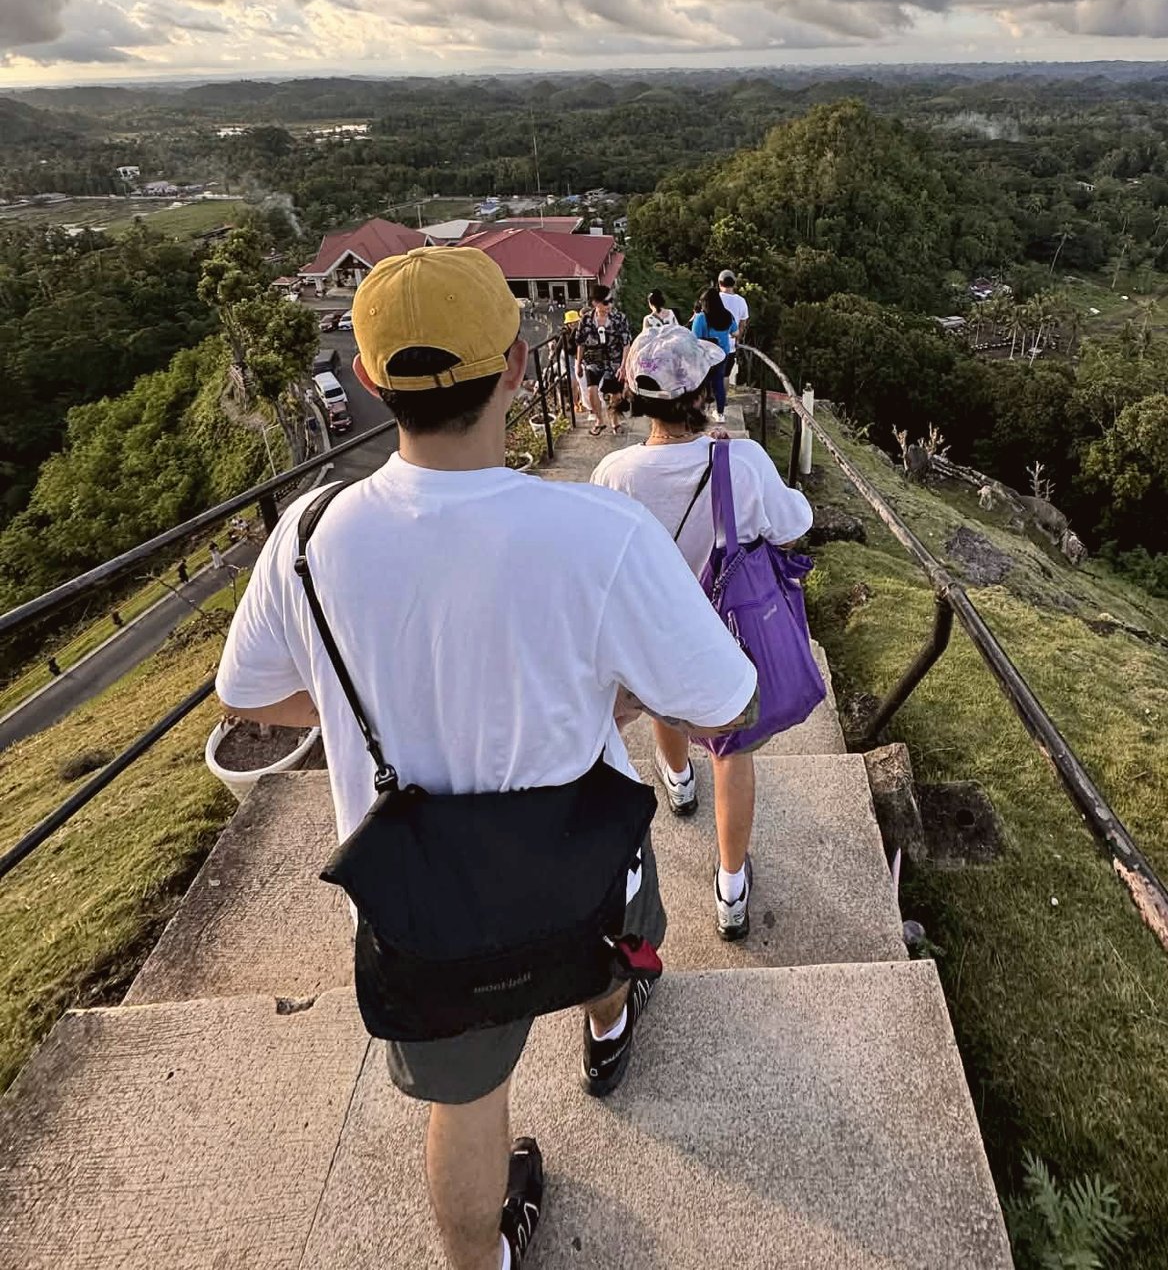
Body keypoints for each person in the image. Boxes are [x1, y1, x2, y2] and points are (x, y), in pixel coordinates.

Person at [216, 248, 756, 1270]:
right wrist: (609, 691)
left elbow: (245, 698)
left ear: (372, 382)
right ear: (517, 368)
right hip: (576, 847)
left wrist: (350, 705)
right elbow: (725, 696)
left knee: (464, 1101)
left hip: (417, 891)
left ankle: (484, 1260)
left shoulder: (308, 535)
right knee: (611, 948)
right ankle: (604, 1033)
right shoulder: (594, 529)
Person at [591, 323, 812, 941]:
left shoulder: (613, 473)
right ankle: (731, 889)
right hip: (730, 631)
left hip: (654, 637)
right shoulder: (740, 460)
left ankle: (679, 783)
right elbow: (793, 525)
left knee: (664, 698)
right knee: (733, 752)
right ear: (700, 396)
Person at [578, 281, 631, 437]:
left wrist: (623, 367)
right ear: (595, 303)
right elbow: (580, 343)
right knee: (591, 389)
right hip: (593, 359)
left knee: (615, 394)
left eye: (611, 301)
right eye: (605, 302)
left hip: (614, 359)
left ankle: (615, 422)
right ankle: (599, 421)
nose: (609, 305)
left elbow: (626, 343)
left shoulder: (619, 318)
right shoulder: (586, 319)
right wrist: (578, 364)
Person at [690, 287, 735, 418]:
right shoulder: (727, 315)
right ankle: (720, 414)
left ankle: (700, 412)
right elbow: (735, 332)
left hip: (705, 355)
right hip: (722, 354)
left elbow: (694, 338)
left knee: (702, 384)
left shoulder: (701, 318)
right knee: (718, 384)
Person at [717, 269, 749, 385]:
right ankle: (723, 402)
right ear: (734, 284)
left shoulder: (715, 298)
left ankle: (710, 401)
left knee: (711, 375)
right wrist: (737, 339)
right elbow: (742, 324)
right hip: (730, 345)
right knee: (725, 375)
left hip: (713, 344)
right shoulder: (741, 301)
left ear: (720, 283)